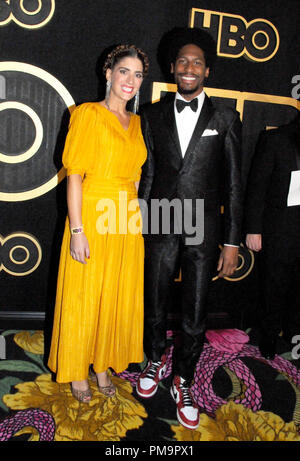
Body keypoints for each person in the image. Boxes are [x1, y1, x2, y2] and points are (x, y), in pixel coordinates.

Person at [136, 27, 243, 429]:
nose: (189, 67)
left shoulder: (226, 118)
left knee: (195, 310)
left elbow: (234, 184)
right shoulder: (152, 115)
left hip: (204, 226)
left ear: (207, 70)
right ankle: (153, 360)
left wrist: (232, 241)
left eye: (197, 61)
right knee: (155, 298)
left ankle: (184, 379)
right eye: (183, 61)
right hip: (161, 218)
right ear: (172, 68)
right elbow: (147, 176)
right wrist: (140, 224)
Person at [48, 44, 149, 402]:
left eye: (138, 74)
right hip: (91, 212)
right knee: (84, 293)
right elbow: (74, 175)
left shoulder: (138, 123)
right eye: (124, 71)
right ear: (108, 73)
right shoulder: (86, 114)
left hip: (125, 218)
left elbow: (137, 178)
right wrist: (77, 230)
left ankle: (102, 363)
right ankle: (76, 368)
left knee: (113, 296)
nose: (131, 80)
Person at [245, 115, 300, 360]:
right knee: (273, 286)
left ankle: (293, 334)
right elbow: (257, 187)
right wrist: (253, 229)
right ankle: (267, 339)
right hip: (280, 228)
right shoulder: (276, 139)